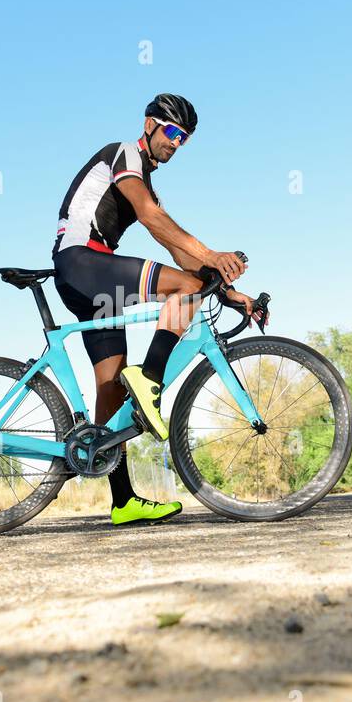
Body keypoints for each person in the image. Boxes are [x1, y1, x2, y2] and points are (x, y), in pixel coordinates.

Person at [51, 94, 265, 526]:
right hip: (82, 261)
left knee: (111, 388)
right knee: (183, 289)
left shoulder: (146, 181)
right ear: (149, 124)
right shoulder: (124, 153)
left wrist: (226, 289)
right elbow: (150, 217)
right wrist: (211, 253)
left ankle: (123, 499)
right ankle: (150, 381)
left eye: (184, 139)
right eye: (172, 132)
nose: (177, 143)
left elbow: (174, 245)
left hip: (91, 280)